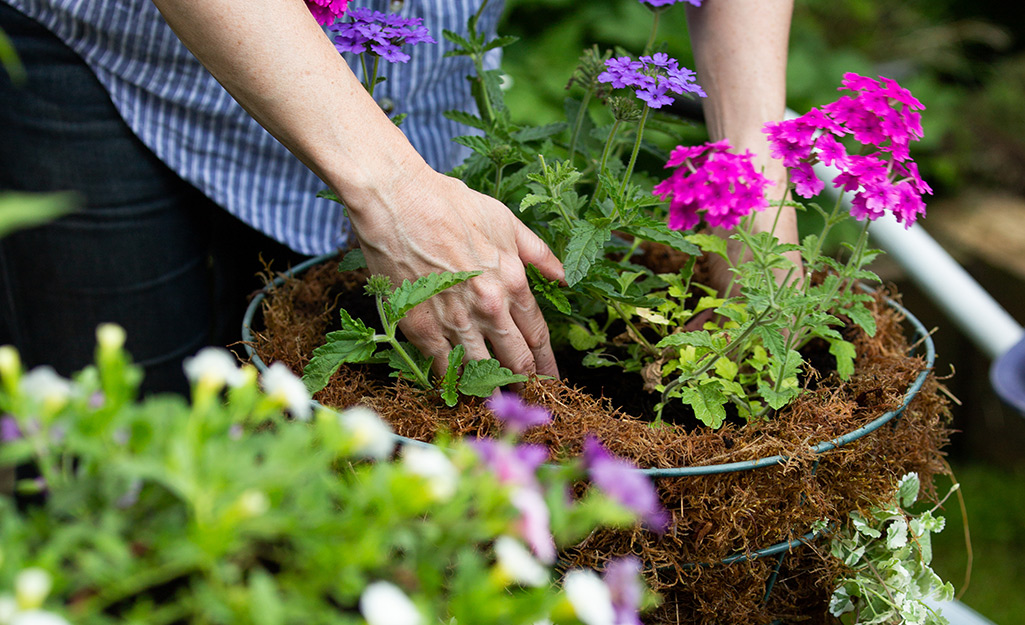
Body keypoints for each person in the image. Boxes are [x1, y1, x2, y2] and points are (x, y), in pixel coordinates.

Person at [0, 0, 796, 394]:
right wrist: (390, 191)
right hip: (109, 53)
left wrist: (754, 174)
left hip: (403, 67)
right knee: (128, 433)